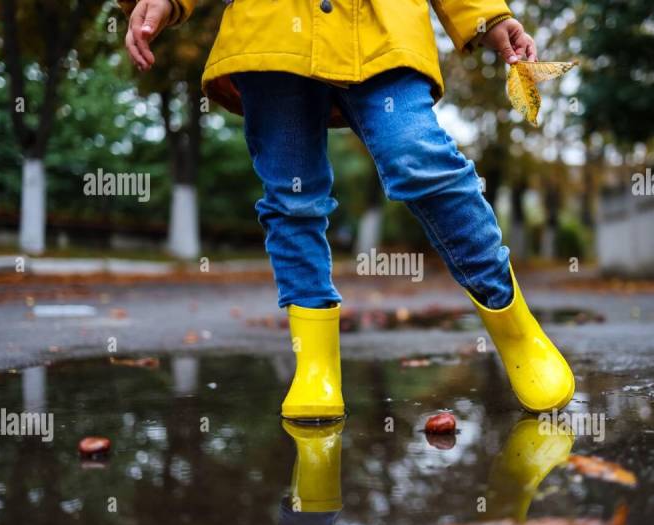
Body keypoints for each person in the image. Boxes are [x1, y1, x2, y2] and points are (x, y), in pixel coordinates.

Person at [120, 0, 574, 420]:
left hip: (382, 30)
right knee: (292, 197)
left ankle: (512, 324)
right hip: (273, 32)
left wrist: (488, 16)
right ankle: (315, 365)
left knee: (418, 156)